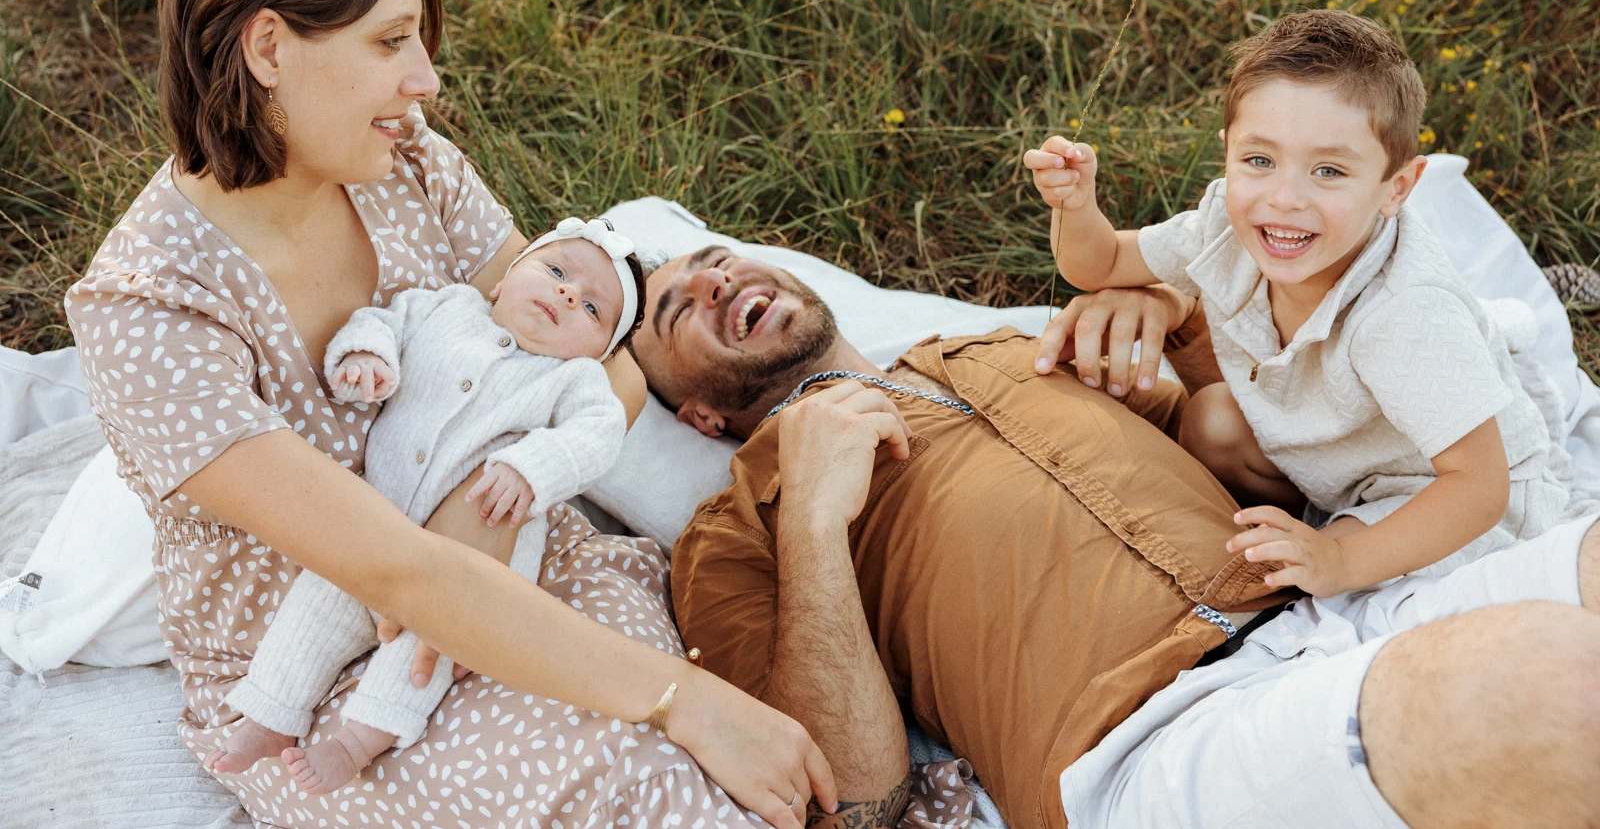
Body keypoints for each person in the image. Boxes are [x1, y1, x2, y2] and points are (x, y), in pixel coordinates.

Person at [64, 0, 835, 829]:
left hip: (513, 564)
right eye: (391, 42)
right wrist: (685, 699)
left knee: (735, 770)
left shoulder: (405, 159)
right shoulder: (151, 309)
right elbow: (391, 574)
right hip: (315, 671)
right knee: (641, 777)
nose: (424, 79)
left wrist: (480, 515)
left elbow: (598, 358)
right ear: (268, 46)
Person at [630, 244, 1600, 829]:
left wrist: (1163, 321)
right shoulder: (733, 530)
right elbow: (851, 797)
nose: (718, 282)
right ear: (698, 416)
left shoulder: (998, 346)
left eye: (719, 261)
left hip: (1323, 605)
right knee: (1558, 682)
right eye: (683, 305)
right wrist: (810, 519)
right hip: (1152, 743)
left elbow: (1261, 391)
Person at [1024, 9, 1582, 594]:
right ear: (1228, 152)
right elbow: (1103, 263)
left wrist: (1342, 559)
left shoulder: (1406, 313)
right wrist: (1075, 207)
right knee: (1211, 424)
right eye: (1259, 161)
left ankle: (1334, 543)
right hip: (1334, 457)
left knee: (1300, 580)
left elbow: (1479, 487)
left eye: (1329, 170)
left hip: (1434, 493)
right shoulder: (1229, 223)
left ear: (1397, 188)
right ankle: (1317, 522)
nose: (1285, 198)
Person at [205, 215, 647, 794]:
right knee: (318, 601)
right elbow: (380, 322)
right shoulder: (445, 307)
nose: (568, 294)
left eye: (593, 310)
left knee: (431, 643)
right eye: (557, 271)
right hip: (376, 524)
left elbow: (598, 434)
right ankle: (269, 714)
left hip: (479, 550)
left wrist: (531, 467)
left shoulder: (573, 381)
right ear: (502, 281)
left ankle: (357, 741)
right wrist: (366, 357)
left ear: (599, 350)